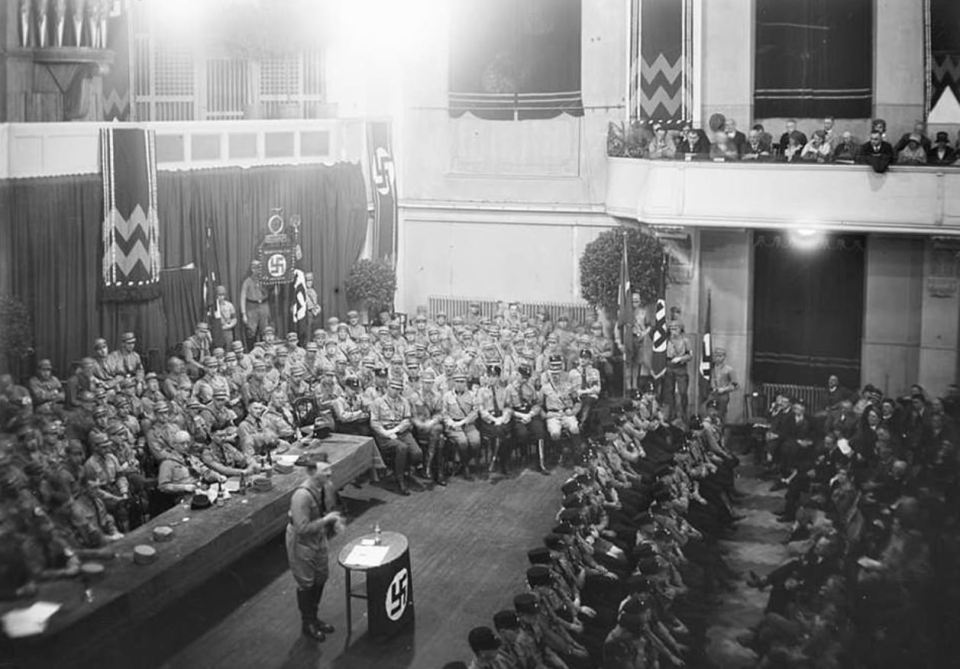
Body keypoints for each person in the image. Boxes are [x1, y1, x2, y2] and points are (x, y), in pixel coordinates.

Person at [285, 456, 343, 641]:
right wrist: (327, 521)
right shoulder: (301, 496)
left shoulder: (327, 487)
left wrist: (333, 522)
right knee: (306, 582)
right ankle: (307, 622)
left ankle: (314, 617)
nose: (329, 472)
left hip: (318, 537)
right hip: (301, 541)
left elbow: (329, 509)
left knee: (321, 577)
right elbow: (301, 529)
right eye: (324, 470)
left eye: (329, 468)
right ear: (311, 472)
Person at [240, 260, 271, 346]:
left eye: (259, 268)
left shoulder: (265, 281)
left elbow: (270, 291)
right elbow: (242, 297)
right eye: (256, 268)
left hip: (263, 306)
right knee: (251, 331)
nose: (258, 270)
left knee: (264, 330)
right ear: (252, 269)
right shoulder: (247, 282)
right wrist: (243, 313)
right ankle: (251, 351)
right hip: (251, 307)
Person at [707, 347, 738, 423]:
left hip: (723, 395)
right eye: (715, 356)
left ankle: (722, 430)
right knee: (710, 413)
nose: (717, 358)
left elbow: (735, 385)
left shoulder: (729, 369)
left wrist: (724, 389)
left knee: (721, 414)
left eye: (720, 356)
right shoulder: (710, 368)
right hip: (712, 394)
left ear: (724, 357)